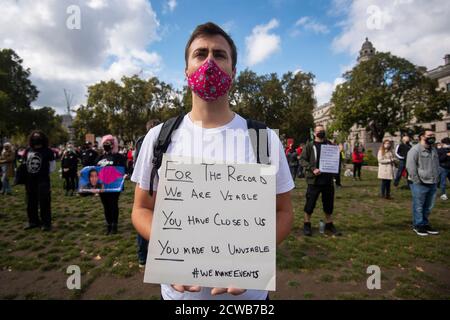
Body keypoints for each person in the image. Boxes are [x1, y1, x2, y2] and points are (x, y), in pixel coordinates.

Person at [131, 22, 294, 300]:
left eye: (219, 55)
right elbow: (142, 208)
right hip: (179, 298)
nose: (209, 62)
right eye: (200, 54)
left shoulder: (262, 139)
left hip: (248, 298)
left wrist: (249, 256)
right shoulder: (159, 138)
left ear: (234, 71)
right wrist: (167, 249)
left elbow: (283, 212)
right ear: (186, 71)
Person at [299, 124, 342, 237]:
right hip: (314, 181)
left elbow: (336, 160)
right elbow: (302, 160)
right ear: (314, 133)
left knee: (328, 204)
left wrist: (338, 151)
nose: (321, 133)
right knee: (310, 203)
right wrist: (312, 169)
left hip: (327, 180)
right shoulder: (310, 145)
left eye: (322, 131)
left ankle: (329, 224)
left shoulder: (330, 145)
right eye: (319, 131)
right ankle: (307, 224)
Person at [133, 119, 161, 268]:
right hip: (149, 186)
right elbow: (141, 209)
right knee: (148, 219)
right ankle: (144, 256)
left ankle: (144, 257)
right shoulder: (150, 139)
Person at [406, 129, 440, 236]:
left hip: (432, 182)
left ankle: (425, 224)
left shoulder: (433, 150)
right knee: (419, 205)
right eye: (429, 135)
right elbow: (410, 167)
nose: (432, 137)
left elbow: (436, 165)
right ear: (422, 136)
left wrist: (436, 178)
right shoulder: (415, 150)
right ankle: (418, 225)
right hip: (419, 183)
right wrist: (417, 181)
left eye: (433, 135)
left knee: (428, 206)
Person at [24, 130, 56, 231]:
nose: (36, 139)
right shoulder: (28, 150)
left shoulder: (48, 151)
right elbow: (25, 163)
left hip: (43, 180)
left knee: (44, 202)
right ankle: (33, 221)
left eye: (38, 137)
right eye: (34, 137)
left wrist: (42, 173)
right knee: (30, 201)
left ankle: (46, 223)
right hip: (30, 181)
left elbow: (52, 167)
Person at [96, 135, 126, 235]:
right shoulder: (100, 157)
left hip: (114, 186)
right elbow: (94, 169)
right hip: (102, 186)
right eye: (105, 143)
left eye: (109, 143)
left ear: (113, 144)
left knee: (113, 205)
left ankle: (114, 225)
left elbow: (123, 169)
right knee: (106, 206)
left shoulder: (119, 157)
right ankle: (108, 224)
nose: (106, 145)